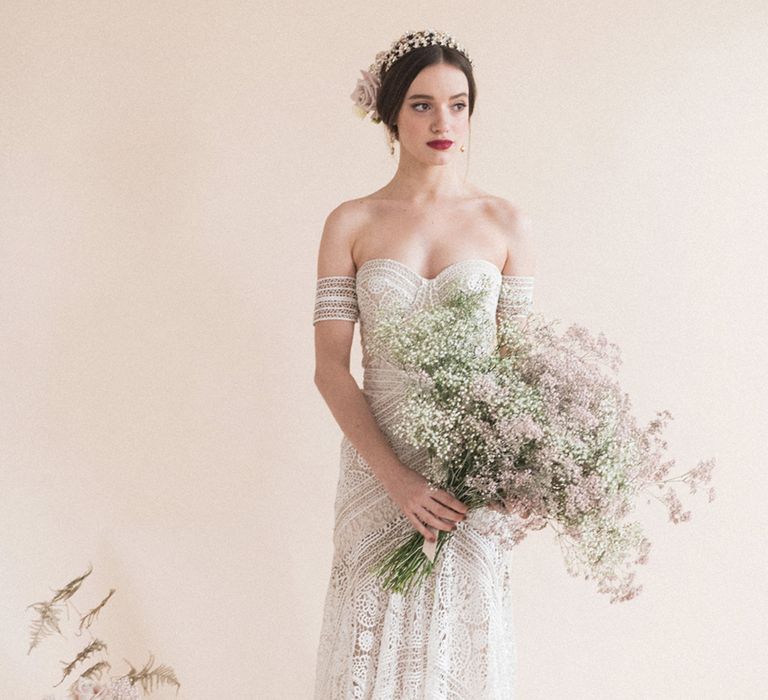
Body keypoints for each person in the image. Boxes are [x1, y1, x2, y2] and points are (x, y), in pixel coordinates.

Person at [312, 28, 536, 698]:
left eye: (458, 105)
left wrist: (497, 472)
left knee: (458, 655)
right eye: (422, 105)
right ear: (388, 113)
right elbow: (330, 368)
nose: (444, 122)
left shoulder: (505, 222)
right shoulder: (351, 222)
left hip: (470, 478)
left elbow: (522, 372)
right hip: (378, 470)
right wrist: (397, 480)